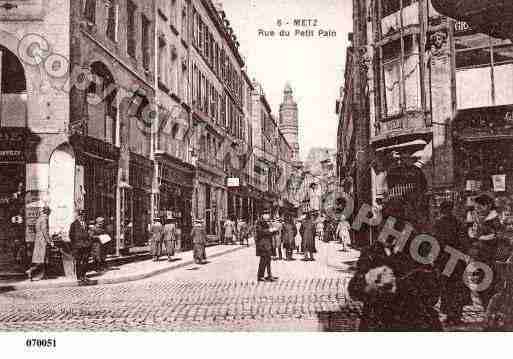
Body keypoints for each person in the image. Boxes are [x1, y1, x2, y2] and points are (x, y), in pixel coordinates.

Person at [348, 199, 442, 331]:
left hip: (412, 323)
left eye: (394, 227)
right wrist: (366, 280)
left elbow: (433, 293)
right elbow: (353, 290)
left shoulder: (419, 252)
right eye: (383, 225)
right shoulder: (370, 253)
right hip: (377, 323)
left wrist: (396, 285)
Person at [433, 201, 472, 325]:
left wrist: (436, 260)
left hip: (445, 259)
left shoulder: (438, 224)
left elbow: (436, 243)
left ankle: (449, 314)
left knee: (447, 287)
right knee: (457, 287)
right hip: (457, 259)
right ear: (451, 210)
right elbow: (464, 241)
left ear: (441, 210)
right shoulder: (458, 223)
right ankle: (456, 314)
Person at [468, 194, 502, 310]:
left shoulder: (494, 218)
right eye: (476, 207)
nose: (477, 209)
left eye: (479, 207)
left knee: (489, 281)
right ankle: (486, 306)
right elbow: (471, 231)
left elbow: (497, 235)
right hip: (478, 254)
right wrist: (472, 234)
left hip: (490, 255)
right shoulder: (477, 217)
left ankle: (490, 307)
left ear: (488, 206)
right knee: (480, 281)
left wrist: (481, 237)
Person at [26, 206, 53, 281]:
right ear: (47, 212)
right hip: (42, 242)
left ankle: (42, 275)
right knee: (42, 260)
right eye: (49, 212)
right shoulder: (45, 218)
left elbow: (36, 230)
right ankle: (31, 271)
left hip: (38, 241)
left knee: (40, 259)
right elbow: (45, 231)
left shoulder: (39, 218)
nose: (49, 213)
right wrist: (50, 241)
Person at [255, 204, 278, 282]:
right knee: (263, 260)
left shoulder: (267, 222)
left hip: (268, 244)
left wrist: (274, 231)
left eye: (268, 214)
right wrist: (270, 230)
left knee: (268, 260)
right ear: (262, 215)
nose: (267, 215)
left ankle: (269, 275)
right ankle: (260, 276)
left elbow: (268, 232)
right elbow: (260, 232)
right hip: (263, 244)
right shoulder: (259, 222)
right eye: (266, 214)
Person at [69, 209, 92, 284]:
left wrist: (89, 242)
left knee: (85, 261)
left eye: (83, 215)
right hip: (78, 246)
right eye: (80, 215)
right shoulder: (73, 224)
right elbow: (71, 235)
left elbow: (88, 234)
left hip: (86, 245)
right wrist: (75, 244)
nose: (81, 217)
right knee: (78, 261)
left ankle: (84, 275)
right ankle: (79, 276)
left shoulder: (86, 224)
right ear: (77, 216)